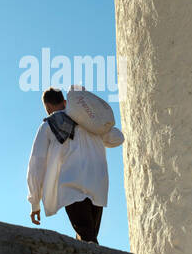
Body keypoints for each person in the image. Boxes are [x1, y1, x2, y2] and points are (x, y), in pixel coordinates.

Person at [26, 87, 123, 244]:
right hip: (97, 187)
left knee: (87, 239)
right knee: (89, 237)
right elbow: (117, 138)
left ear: (48, 107)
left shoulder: (48, 126)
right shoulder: (89, 123)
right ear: (65, 102)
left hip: (72, 187)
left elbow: (36, 164)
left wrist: (34, 201)